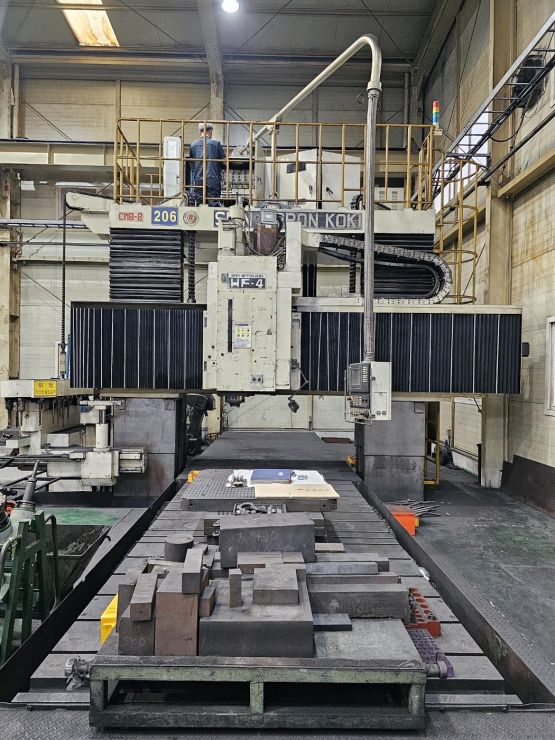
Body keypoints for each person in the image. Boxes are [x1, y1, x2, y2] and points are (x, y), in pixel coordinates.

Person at [188, 122, 226, 205]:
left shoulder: (193, 145)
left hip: (198, 179)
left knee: (200, 204)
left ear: (200, 131)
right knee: (213, 204)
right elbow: (224, 161)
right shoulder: (216, 144)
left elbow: (191, 163)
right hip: (213, 179)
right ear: (210, 131)